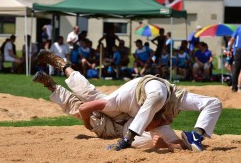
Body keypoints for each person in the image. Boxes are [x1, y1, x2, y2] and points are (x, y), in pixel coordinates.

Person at [33, 50, 187, 150]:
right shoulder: (147, 110)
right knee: (89, 95)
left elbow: (177, 145)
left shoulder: (160, 127)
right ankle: (64, 66)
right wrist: (86, 124)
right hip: (123, 113)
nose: (164, 123)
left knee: (82, 112)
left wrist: (164, 145)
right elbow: (85, 109)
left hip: (114, 131)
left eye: (162, 121)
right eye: (160, 120)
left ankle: (51, 86)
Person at [77, 64, 222, 152]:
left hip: (160, 90)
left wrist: (87, 125)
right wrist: (168, 144)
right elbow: (174, 140)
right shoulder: (156, 121)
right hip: (159, 97)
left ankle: (196, 135)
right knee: (158, 101)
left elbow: (84, 108)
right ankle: (127, 140)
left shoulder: (115, 101)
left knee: (214, 103)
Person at [227, 26, 241, 92]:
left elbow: (232, 39)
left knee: (236, 70)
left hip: (238, 51)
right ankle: (240, 87)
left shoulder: (239, 28)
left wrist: (229, 49)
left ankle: (234, 88)